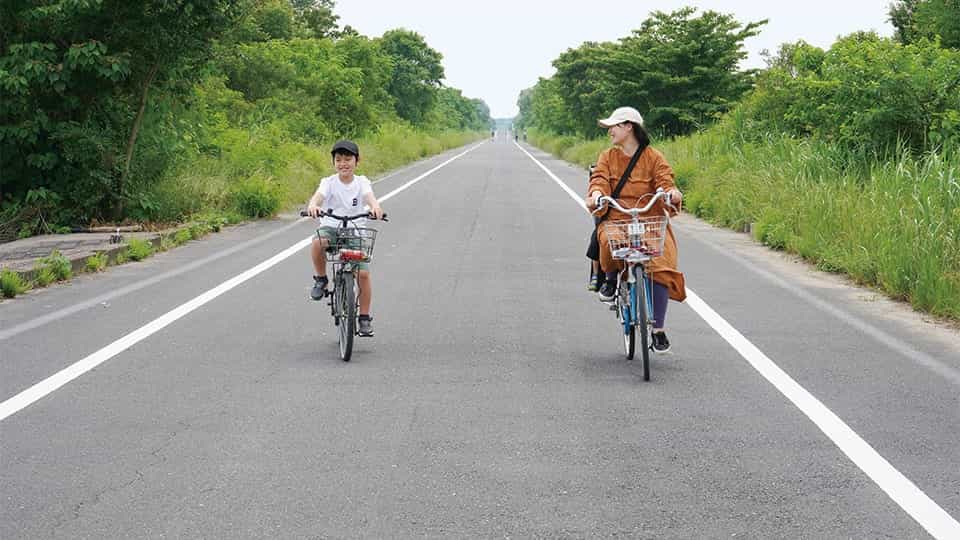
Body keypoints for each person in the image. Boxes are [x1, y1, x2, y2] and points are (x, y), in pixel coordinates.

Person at [584, 106, 685, 353]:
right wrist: (597, 195)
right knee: (608, 240)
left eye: (614, 126)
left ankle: (658, 330)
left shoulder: (654, 157)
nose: (610, 131)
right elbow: (598, 180)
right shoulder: (608, 156)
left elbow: (666, 181)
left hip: (649, 219)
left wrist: (672, 194)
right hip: (617, 217)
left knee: (662, 261)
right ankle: (609, 279)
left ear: (629, 126)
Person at [306, 139, 384, 337]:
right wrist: (313, 206)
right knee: (317, 242)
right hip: (332, 227)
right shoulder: (329, 182)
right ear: (334, 162)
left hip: (356, 230)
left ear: (357, 161)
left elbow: (369, 198)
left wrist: (375, 208)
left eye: (348, 159)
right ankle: (321, 279)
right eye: (338, 159)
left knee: (363, 275)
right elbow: (318, 197)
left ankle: (364, 318)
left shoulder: (362, 182)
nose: (343, 163)